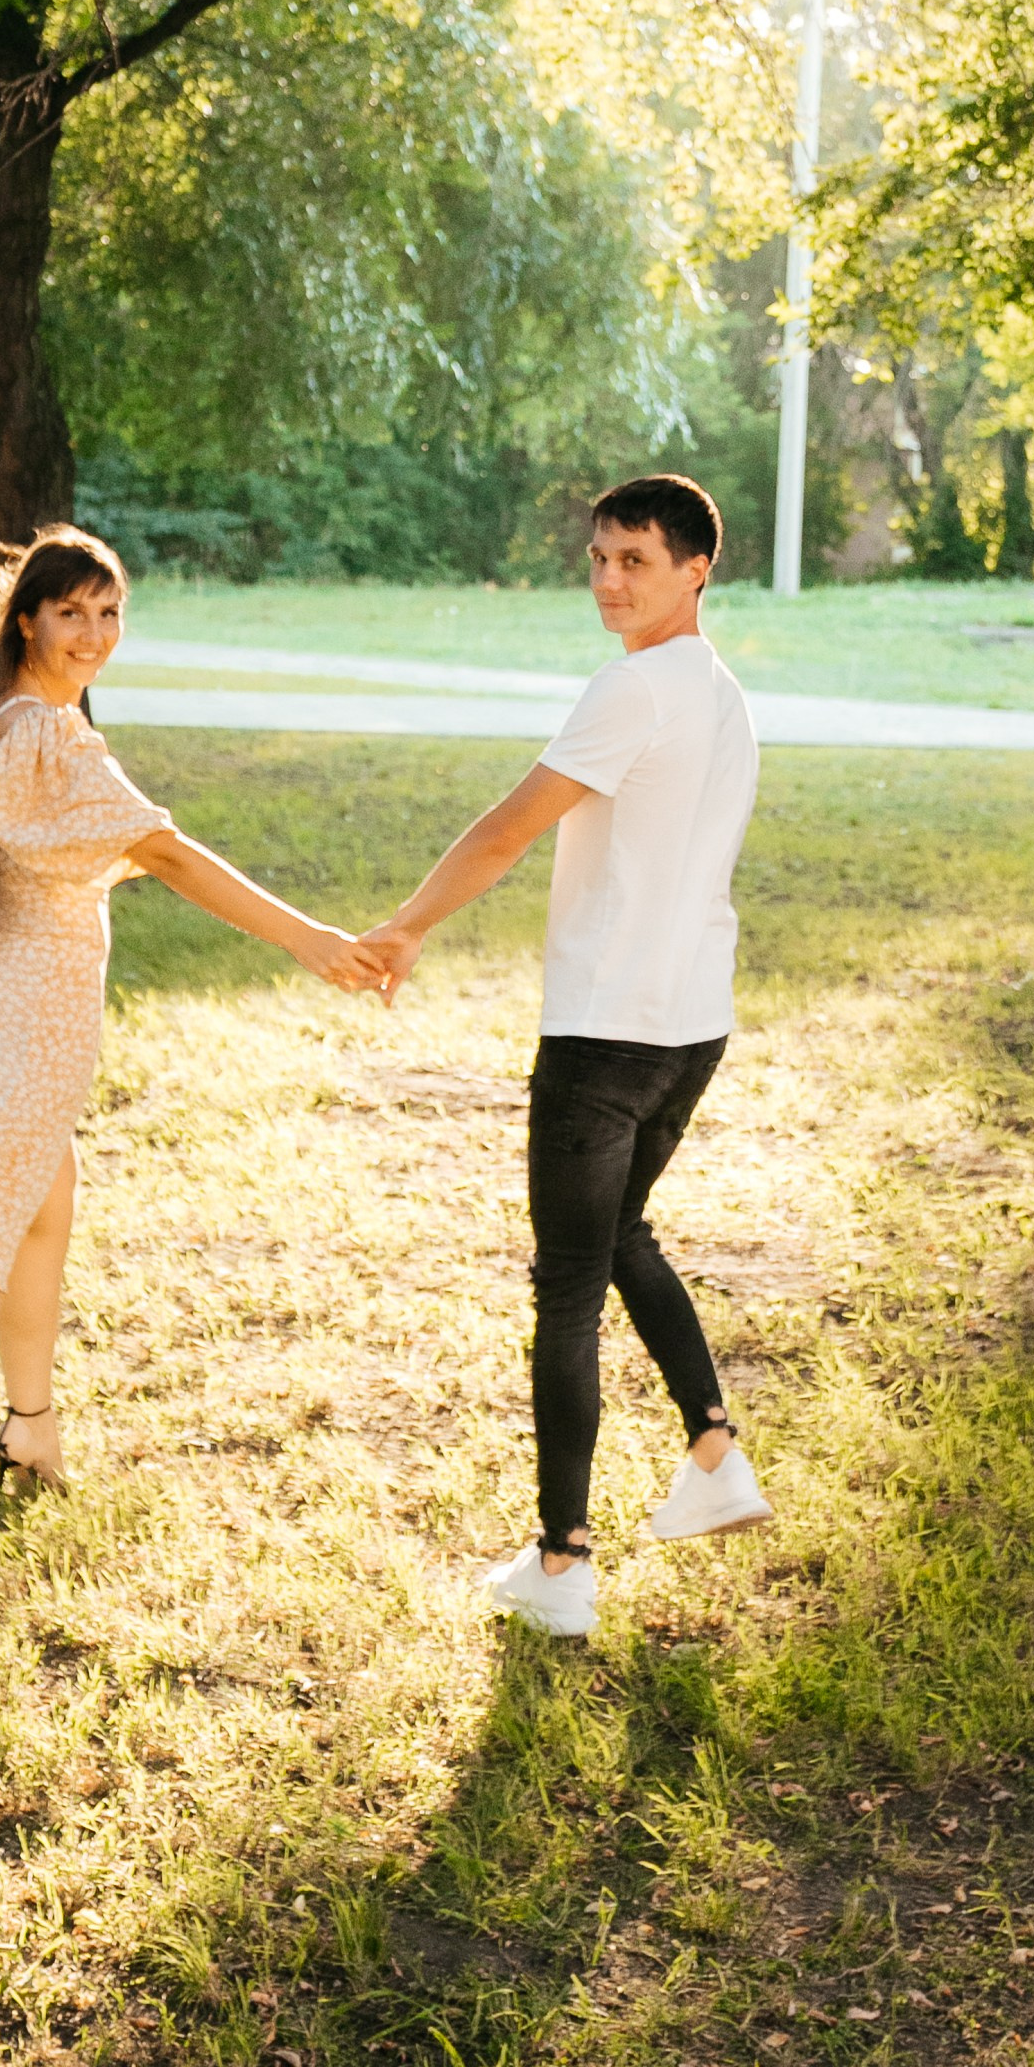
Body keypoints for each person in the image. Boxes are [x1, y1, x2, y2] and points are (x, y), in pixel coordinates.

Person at [0, 523, 381, 1596]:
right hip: (22, 1008)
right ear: (28, 620)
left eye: (110, 613)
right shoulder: (49, 734)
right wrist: (309, 938)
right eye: (72, 613)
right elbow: (164, 850)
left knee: (47, 1192)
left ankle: (32, 1426)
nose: (95, 634)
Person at [362, 473, 769, 1639]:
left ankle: (561, 1562)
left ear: (696, 568)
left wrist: (405, 924)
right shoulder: (722, 693)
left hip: (605, 1034)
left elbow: (508, 824)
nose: (606, 579)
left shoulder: (632, 688)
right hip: (690, 1025)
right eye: (596, 556)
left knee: (568, 1286)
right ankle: (713, 1450)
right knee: (619, 1236)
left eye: (633, 559)